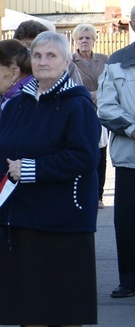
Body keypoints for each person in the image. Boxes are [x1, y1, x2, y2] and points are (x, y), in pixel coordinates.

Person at [0, 31, 99, 327]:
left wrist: (33, 169)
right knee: (29, 297)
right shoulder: (16, 104)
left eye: (51, 56)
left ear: (65, 61)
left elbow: (84, 157)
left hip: (65, 218)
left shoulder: (78, 104)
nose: (43, 61)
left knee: (68, 297)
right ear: (29, 61)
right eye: (37, 56)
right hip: (22, 216)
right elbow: (1, 153)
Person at [98, 6, 135, 299]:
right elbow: (106, 108)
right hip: (129, 158)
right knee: (127, 220)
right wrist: (133, 129)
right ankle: (129, 279)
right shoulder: (116, 63)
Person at [72, 24, 109, 209]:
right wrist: (89, 94)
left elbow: (111, 84)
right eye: (80, 38)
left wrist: (98, 95)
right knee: (84, 152)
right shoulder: (70, 62)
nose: (84, 41)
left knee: (101, 154)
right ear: (75, 41)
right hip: (81, 112)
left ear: (95, 40)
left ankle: (98, 196)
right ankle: (83, 194)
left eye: (88, 38)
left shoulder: (104, 60)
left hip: (101, 112)